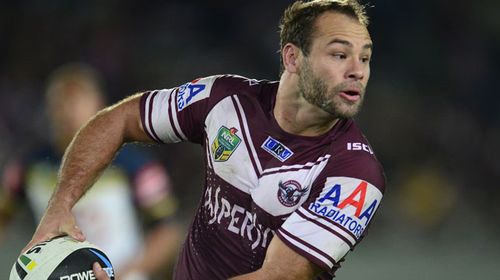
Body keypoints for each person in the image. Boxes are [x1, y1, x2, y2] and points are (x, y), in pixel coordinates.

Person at [25, 0, 386, 279]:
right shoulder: (224, 100)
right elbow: (119, 118)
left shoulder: (356, 173)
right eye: (340, 54)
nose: (358, 70)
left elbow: (277, 275)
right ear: (293, 57)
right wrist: (61, 204)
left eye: (365, 58)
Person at [3, 63, 182, 279]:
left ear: (99, 106)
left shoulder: (137, 165)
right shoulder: (29, 167)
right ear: (49, 110)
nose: (68, 112)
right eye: (61, 103)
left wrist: (130, 271)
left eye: (77, 102)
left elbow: (168, 232)